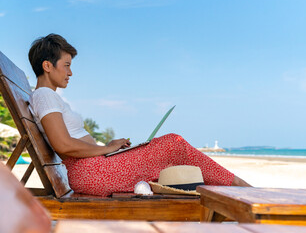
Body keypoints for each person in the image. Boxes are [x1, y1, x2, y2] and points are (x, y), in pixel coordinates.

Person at [28, 33, 251, 196]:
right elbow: (63, 144)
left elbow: (69, 141)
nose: (70, 72)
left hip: (95, 168)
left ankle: (234, 189)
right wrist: (107, 149)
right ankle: (240, 189)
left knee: (169, 150)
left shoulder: (47, 96)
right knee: (174, 144)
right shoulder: (45, 95)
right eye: (66, 65)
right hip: (91, 173)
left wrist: (109, 147)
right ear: (47, 66)